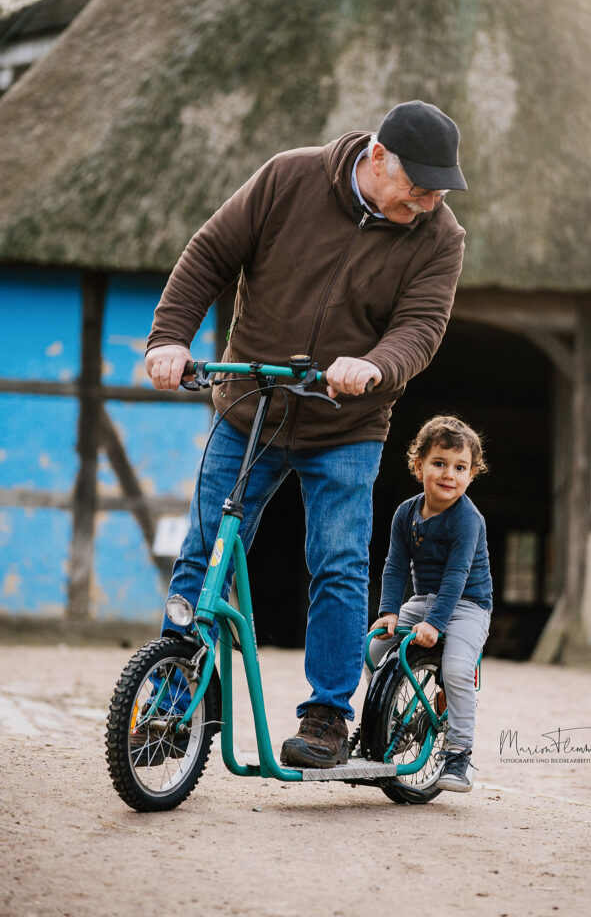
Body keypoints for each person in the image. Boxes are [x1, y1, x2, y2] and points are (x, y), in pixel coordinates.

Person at [145, 100, 469, 769]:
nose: (430, 200)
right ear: (377, 157)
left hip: (347, 423)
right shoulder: (286, 179)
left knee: (338, 562)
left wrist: (375, 366)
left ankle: (325, 717)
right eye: (419, 185)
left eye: (441, 188)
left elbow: (422, 327)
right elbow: (209, 255)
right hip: (248, 408)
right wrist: (170, 339)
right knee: (205, 549)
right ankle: (171, 703)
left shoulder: (440, 236)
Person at [369, 415, 492, 792]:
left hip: (468, 605)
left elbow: (456, 577)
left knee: (456, 669)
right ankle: (386, 720)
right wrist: (388, 611)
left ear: (472, 474)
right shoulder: (406, 513)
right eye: (439, 463)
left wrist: (435, 624)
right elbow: (394, 566)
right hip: (424, 600)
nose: (448, 474)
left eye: (460, 467)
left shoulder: (467, 519)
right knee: (375, 649)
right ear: (418, 464)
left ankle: (459, 754)